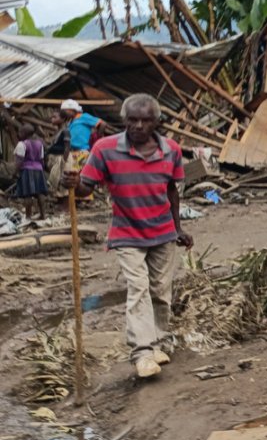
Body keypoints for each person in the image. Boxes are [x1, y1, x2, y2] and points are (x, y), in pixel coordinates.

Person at [64, 93, 193, 380]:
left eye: (145, 120)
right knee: (139, 288)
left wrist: (178, 228)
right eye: (132, 120)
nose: (138, 126)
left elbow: (171, 191)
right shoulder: (105, 149)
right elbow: (87, 186)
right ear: (123, 121)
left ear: (156, 122)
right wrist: (74, 184)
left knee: (161, 290)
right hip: (126, 232)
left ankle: (160, 341)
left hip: (162, 232)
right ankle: (142, 352)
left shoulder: (171, 150)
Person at [50, 100, 105, 202]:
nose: (63, 113)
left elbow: (102, 124)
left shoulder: (83, 117)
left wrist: (98, 138)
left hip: (82, 151)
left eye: (65, 111)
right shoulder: (70, 122)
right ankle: (76, 200)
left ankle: (84, 199)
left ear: (72, 110)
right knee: (74, 176)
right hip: (73, 152)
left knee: (82, 176)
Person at [14, 122, 48, 220]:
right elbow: (41, 159)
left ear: (24, 133)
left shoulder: (22, 144)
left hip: (27, 171)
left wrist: (15, 173)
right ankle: (43, 215)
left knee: (27, 194)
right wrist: (42, 169)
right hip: (39, 169)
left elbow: (19, 161)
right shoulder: (39, 144)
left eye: (20, 132)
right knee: (40, 193)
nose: (18, 134)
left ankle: (28, 216)